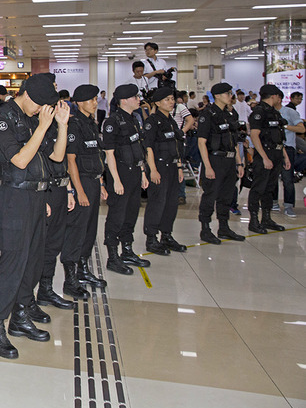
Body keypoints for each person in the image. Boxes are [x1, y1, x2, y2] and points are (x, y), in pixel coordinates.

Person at [0, 74, 62, 360]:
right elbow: (19, 159)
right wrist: (42, 127)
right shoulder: (2, 119)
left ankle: (20, 314)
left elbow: (50, 158)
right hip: (15, 198)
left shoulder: (32, 117)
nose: (41, 110)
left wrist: (59, 127)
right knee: (13, 261)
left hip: (37, 196)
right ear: (26, 95)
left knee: (33, 260)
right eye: (39, 104)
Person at [34, 79, 78, 309]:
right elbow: (53, 158)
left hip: (60, 188)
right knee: (40, 245)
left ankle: (46, 289)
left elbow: (65, 162)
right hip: (46, 190)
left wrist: (68, 187)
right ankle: (29, 297)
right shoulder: (38, 126)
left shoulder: (58, 124)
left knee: (54, 244)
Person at [101, 84, 150, 275]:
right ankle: (113, 256)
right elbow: (110, 154)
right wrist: (115, 180)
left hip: (135, 173)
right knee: (117, 216)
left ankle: (127, 250)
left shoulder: (134, 119)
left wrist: (143, 173)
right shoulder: (112, 122)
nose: (138, 99)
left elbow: (138, 149)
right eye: (135, 97)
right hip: (120, 173)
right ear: (124, 100)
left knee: (131, 214)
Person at [65, 84, 108, 291]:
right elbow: (71, 160)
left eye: (95, 99)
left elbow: (96, 155)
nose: (95, 102)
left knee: (89, 230)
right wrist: (78, 190)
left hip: (92, 181)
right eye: (91, 99)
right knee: (77, 230)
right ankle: (70, 278)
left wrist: (100, 182)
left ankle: (83, 269)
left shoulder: (91, 123)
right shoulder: (75, 125)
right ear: (80, 102)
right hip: (80, 182)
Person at [195, 83, 246, 243]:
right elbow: (201, 142)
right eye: (227, 93)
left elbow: (234, 140)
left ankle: (224, 228)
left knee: (227, 195)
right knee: (210, 195)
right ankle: (205, 229)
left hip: (230, 160)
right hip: (215, 160)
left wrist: (239, 163)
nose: (230, 96)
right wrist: (208, 166)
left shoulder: (230, 114)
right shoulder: (208, 114)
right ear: (217, 95)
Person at [142, 87, 187, 255]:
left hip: (172, 167)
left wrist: (179, 166)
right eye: (167, 100)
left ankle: (166, 235)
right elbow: (148, 148)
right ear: (158, 103)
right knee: (157, 203)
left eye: (172, 99)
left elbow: (176, 146)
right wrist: (152, 170)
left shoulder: (171, 121)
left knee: (171, 203)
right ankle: (151, 238)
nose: (171, 102)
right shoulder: (152, 122)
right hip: (159, 167)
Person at [247, 84, 290, 234]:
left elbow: (278, 137)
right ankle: (253, 220)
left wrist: (284, 156)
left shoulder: (275, 113)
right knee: (258, 188)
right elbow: (254, 135)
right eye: (279, 96)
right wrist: (264, 158)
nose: (280, 99)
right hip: (265, 154)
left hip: (276, 154)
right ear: (274, 97)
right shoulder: (259, 112)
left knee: (269, 189)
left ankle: (266, 218)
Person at [280, 96, 304, 217]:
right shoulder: (266, 113)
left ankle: (289, 205)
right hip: (272, 148)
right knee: (271, 177)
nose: (299, 101)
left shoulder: (290, 112)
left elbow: (301, 128)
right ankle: (272, 202)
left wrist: (284, 126)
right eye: (298, 98)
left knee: (287, 178)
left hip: (288, 147)